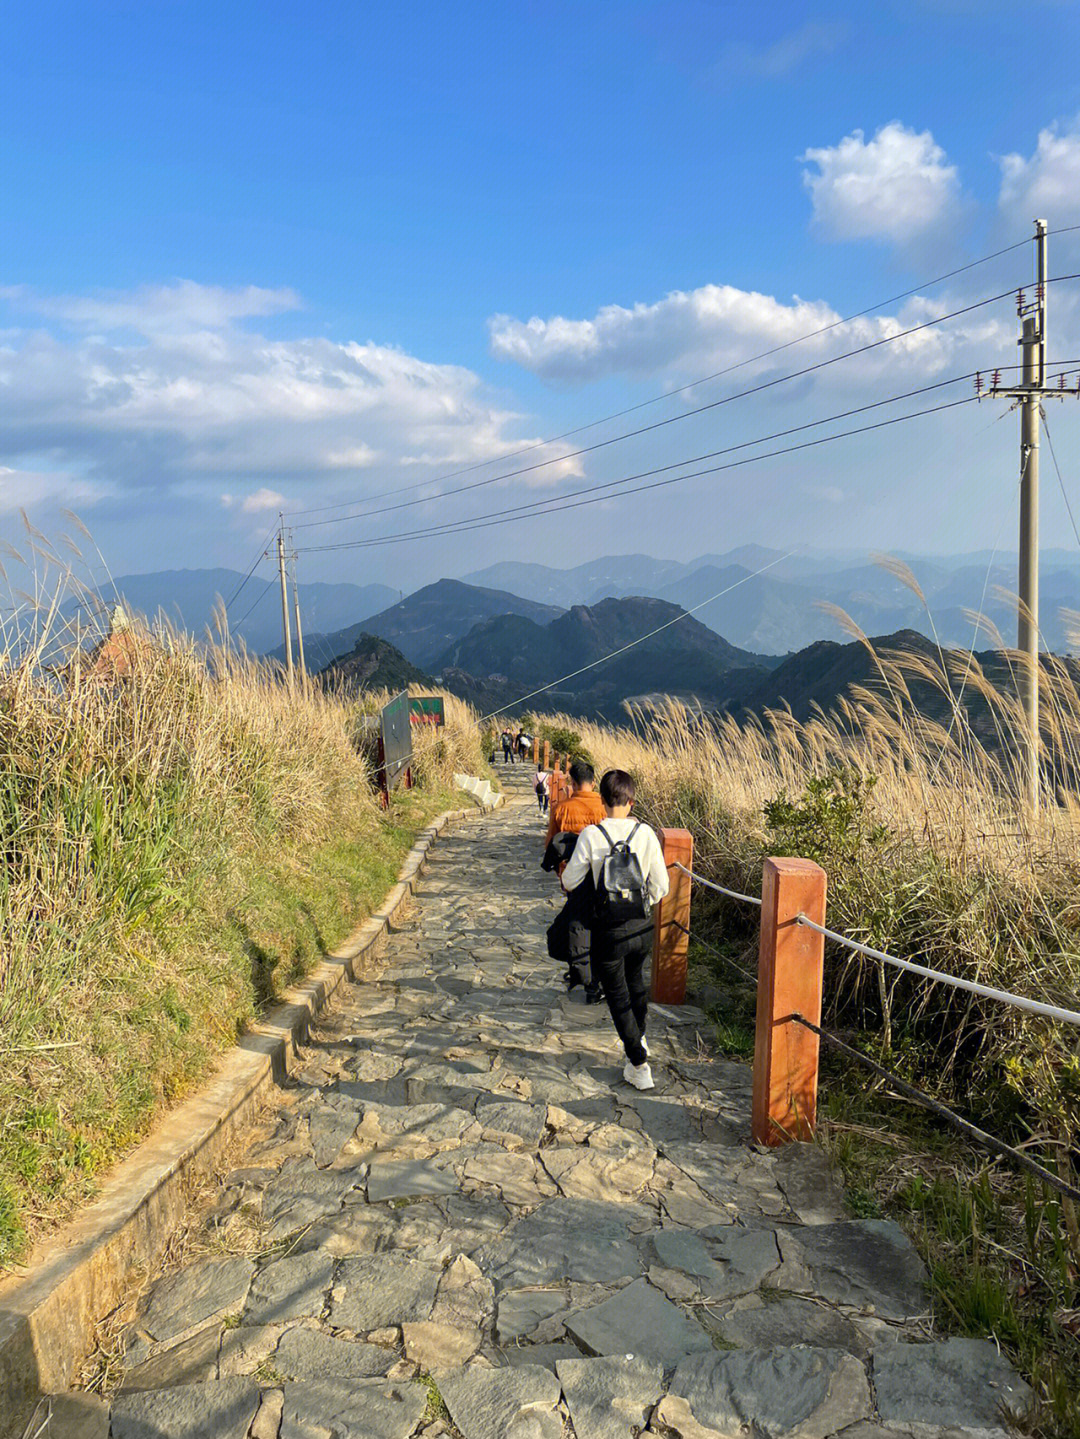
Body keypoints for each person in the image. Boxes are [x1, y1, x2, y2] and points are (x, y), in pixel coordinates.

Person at [560, 769, 669, 1091]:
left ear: (603, 800)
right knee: (636, 986)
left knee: (618, 996)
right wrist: (639, 903)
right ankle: (641, 1040)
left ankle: (638, 1063)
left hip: (607, 931)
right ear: (631, 801)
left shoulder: (592, 836)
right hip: (641, 928)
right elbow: (661, 886)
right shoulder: (647, 834)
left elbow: (569, 881)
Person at [545, 759, 605, 848]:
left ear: (573, 783)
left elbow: (550, 843)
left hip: (568, 860)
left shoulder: (560, 808)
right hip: (596, 859)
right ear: (593, 783)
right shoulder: (605, 806)